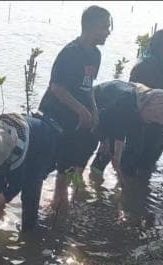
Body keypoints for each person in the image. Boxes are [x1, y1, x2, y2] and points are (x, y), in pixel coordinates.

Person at [37, 5, 112, 209]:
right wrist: (81, 110)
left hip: (81, 115)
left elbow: (88, 87)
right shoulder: (70, 53)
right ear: (91, 27)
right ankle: (57, 204)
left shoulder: (95, 54)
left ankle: (63, 202)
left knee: (74, 161)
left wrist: (93, 110)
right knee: (60, 162)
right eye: (105, 27)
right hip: (58, 113)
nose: (108, 32)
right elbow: (57, 88)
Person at [0, 113, 62, 231]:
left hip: (42, 144)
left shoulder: (18, 148)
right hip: (14, 137)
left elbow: (14, 188)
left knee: (30, 193)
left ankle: (29, 234)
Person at [122, 29, 163, 178]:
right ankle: (127, 185)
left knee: (153, 151)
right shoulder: (144, 65)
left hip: (161, 117)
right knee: (134, 150)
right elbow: (133, 91)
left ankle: (142, 181)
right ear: (158, 47)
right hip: (142, 117)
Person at [89, 81, 163, 177]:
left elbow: (135, 138)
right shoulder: (126, 101)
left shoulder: (150, 101)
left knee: (136, 148)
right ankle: (95, 176)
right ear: (148, 109)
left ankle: (126, 179)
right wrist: (110, 148)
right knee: (107, 151)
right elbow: (111, 127)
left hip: (128, 113)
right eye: (152, 118)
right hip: (100, 106)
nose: (151, 123)